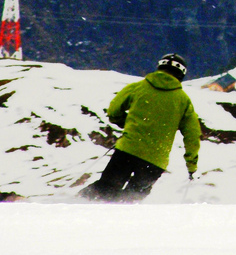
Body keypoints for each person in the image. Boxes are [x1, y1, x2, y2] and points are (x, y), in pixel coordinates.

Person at [81, 52, 201, 201]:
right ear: (181, 74)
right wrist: (191, 166)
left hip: (128, 149)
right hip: (155, 159)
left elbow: (113, 111)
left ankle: (72, 205)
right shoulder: (184, 101)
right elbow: (192, 135)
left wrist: (127, 124)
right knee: (132, 198)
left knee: (106, 188)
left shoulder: (138, 87)